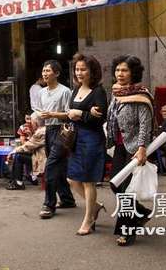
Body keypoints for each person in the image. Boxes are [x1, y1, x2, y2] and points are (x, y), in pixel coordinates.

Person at [106, 55, 154, 246]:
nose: (120, 74)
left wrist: (142, 148)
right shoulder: (117, 92)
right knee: (115, 185)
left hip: (134, 148)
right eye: (117, 70)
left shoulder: (141, 95)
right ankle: (141, 213)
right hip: (118, 146)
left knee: (126, 190)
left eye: (124, 70)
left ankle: (127, 230)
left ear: (133, 72)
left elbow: (145, 124)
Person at [66, 53, 108, 235]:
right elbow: (70, 113)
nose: (79, 72)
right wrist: (76, 113)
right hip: (77, 138)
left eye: (83, 69)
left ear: (92, 71)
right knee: (72, 179)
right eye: (77, 69)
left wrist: (80, 114)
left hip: (92, 139)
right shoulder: (75, 90)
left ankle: (89, 219)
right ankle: (96, 207)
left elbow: (100, 118)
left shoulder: (98, 91)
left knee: (88, 181)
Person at [36, 60, 75, 220]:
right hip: (48, 130)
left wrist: (52, 114)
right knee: (58, 166)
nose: (45, 74)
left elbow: (70, 113)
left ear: (57, 74)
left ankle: (49, 204)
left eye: (48, 71)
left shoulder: (65, 91)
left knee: (51, 165)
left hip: (62, 130)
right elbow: (40, 112)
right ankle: (67, 199)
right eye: (44, 71)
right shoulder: (42, 92)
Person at [7, 112, 46, 190]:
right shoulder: (41, 130)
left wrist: (12, 152)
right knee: (18, 155)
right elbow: (31, 144)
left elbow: (28, 145)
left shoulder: (40, 132)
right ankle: (16, 181)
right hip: (38, 155)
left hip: (41, 159)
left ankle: (18, 182)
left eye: (31, 120)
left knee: (18, 156)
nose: (30, 122)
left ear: (36, 122)